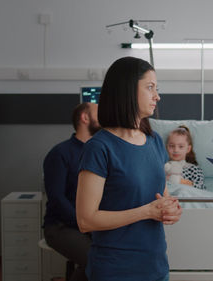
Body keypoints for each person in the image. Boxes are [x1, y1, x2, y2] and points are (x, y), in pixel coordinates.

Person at [75, 56, 182, 281]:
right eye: (150, 88)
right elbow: (86, 220)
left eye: (157, 88)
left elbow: (162, 197)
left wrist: (171, 209)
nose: (157, 96)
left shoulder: (153, 141)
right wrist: (147, 211)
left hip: (155, 267)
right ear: (127, 90)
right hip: (116, 270)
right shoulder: (100, 147)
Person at [42, 102, 100, 281]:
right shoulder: (60, 153)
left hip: (90, 224)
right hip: (60, 227)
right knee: (96, 261)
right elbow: (57, 199)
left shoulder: (98, 151)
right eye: (99, 113)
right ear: (85, 117)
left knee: (114, 257)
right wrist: (86, 224)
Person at [164, 125, 205, 189]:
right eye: (172, 146)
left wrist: (176, 180)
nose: (176, 150)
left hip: (187, 197)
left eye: (181, 146)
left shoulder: (194, 169)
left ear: (188, 149)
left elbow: (200, 188)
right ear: (167, 148)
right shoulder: (163, 168)